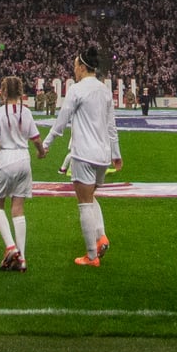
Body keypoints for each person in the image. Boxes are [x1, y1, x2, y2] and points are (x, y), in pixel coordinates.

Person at [41, 46, 123, 270]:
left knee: (84, 203)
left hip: (84, 153)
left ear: (83, 67)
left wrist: (46, 144)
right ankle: (101, 236)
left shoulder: (77, 90)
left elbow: (61, 121)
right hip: (102, 156)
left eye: (75, 65)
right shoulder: (104, 91)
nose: (73, 69)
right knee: (91, 196)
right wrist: (116, 154)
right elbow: (111, 126)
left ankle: (91, 255)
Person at [0, 75, 43, 271]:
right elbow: (36, 139)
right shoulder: (26, 112)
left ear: (2, 92)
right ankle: (22, 257)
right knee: (18, 207)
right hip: (23, 158)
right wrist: (41, 152)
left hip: (6, 158)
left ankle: (11, 247)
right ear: (20, 93)